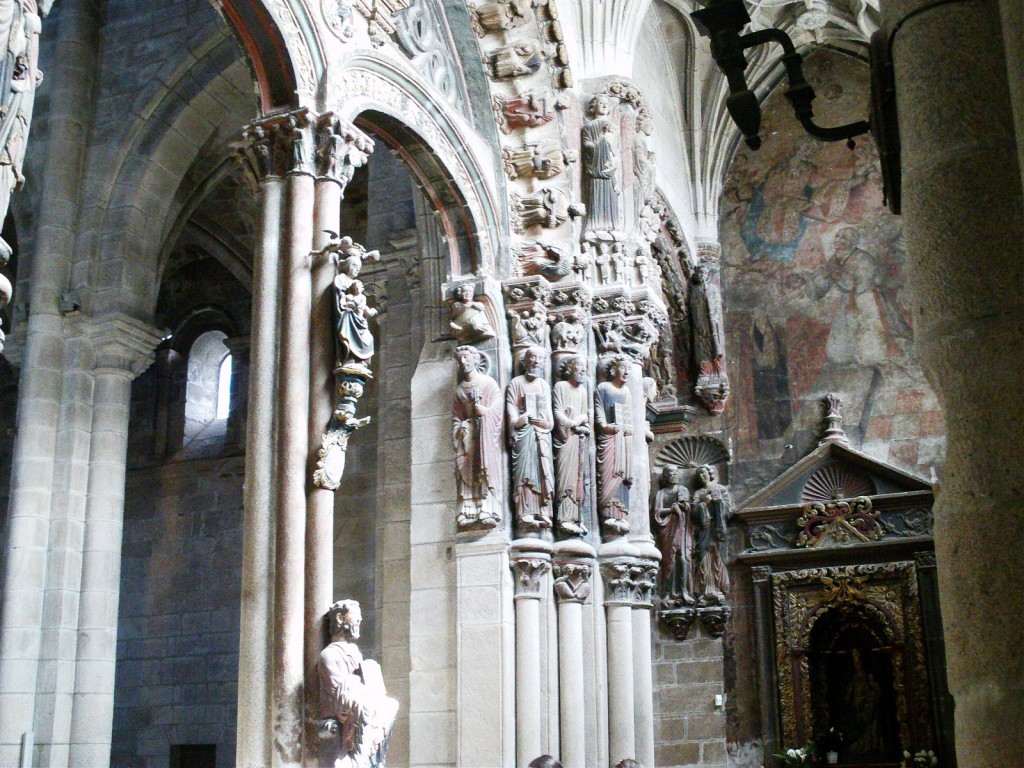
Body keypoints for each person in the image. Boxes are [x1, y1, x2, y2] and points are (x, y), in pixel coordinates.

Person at [318, 600, 399, 767]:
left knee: (391, 704)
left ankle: (375, 756)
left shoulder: (355, 653)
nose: (360, 621)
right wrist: (360, 685)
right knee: (368, 707)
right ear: (340, 618)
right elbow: (338, 689)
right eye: (356, 617)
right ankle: (356, 759)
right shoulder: (329, 655)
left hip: (359, 699)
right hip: (344, 709)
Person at [452, 346, 503, 529]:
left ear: (475, 359)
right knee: (467, 469)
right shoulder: (459, 390)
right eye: (460, 359)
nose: (463, 362)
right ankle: (468, 510)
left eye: (465, 357)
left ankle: (488, 509)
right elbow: (456, 416)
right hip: (468, 437)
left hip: (485, 434)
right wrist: (460, 428)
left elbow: (498, 409)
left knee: (484, 468)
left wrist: (485, 412)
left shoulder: (488, 383)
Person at [506, 346, 555, 530]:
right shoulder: (516, 383)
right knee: (525, 473)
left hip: (542, 436)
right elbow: (511, 411)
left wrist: (546, 424)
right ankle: (525, 512)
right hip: (524, 433)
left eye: (540, 358)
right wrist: (518, 421)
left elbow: (550, 419)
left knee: (543, 472)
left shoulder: (544, 385)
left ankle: (544, 511)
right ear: (525, 361)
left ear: (543, 363)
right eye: (532, 357)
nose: (535, 361)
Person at [595, 355, 634, 535]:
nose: (626, 372)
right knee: (610, 472)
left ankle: (621, 514)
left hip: (624, 438)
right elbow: (599, 409)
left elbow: (630, 416)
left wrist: (629, 429)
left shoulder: (627, 392)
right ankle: (609, 513)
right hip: (609, 437)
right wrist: (603, 425)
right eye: (622, 368)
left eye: (629, 369)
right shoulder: (604, 388)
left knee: (623, 476)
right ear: (612, 370)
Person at [552, 355, 590, 536]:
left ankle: (577, 518)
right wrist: (572, 423)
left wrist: (584, 424)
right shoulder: (561, 387)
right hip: (566, 437)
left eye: (584, 369)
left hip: (578, 438)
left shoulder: (583, 391)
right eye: (579, 367)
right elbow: (557, 411)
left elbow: (585, 414)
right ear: (569, 369)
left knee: (579, 479)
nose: (582, 371)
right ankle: (564, 518)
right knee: (566, 478)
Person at [652, 464, 695, 605]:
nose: (675, 475)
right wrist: (671, 509)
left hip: (682, 528)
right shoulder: (661, 493)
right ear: (665, 476)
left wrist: (684, 506)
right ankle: (667, 593)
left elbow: (687, 507)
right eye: (671, 472)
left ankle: (684, 591)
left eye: (676, 472)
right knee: (669, 560)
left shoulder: (682, 490)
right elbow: (657, 512)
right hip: (667, 530)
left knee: (683, 559)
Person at [691, 464, 731, 603]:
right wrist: (704, 503)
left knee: (717, 557)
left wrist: (718, 501)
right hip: (703, 531)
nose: (702, 476)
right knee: (703, 557)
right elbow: (693, 513)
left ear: (710, 473)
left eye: (704, 473)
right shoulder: (698, 493)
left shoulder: (720, 489)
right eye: (699, 475)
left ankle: (719, 589)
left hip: (717, 529)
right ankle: (705, 590)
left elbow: (728, 510)